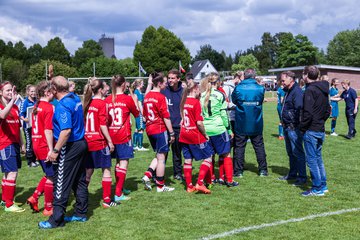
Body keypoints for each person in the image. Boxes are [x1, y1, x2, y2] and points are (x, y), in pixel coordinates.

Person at [39, 76, 88, 229]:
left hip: (70, 145)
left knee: (61, 182)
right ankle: (80, 213)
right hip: (81, 143)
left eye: (50, 88)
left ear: (54, 89)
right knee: (79, 179)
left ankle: (56, 220)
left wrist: (55, 150)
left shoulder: (63, 106)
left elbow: (66, 131)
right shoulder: (74, 98)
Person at [83, 78, 117, 208]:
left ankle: (82, 196)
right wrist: (110, 141)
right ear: (101, 90)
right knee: (106, 169)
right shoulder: (101, 104)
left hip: (87, 141)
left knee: (88, 171)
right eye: (105, 87)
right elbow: (103, 125)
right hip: (99, 142)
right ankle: (107, 201)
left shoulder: (87, 102)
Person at [200, 73, 238, 187]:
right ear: (218, 82)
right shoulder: (220, 95)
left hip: (206, 129)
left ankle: (210, 179)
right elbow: (224, 115)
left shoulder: (201, 95)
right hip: (218, 128)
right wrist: (229, 130)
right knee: (226, 154)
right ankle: (229, 180)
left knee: (209, 155)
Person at [105, 75, 139, 201]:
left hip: (110, 135)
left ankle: (120, 187)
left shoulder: (108, 99)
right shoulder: (127, 99)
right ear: (124, 84)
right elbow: (136, 113)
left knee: (118, 163)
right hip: (123, 135)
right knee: (123, 162)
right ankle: (118, 193)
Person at [141, 72, 175, 192]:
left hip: (150, 129)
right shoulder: (161, 97)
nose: (166, 84)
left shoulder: (147, 96)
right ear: (159, 84)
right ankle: (160, 186)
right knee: (162, 158)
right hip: (159, 129)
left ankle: (147, 175)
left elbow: (144, 115)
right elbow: (166, 116)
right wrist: (171, 132)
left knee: (159, 155)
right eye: (164, 82)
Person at [299, 66, 330, 196]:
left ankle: (317, 187)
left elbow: (308, 113)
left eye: (303, 74)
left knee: (312, 160)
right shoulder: (324, 89)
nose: (302, 77)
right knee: (318, 159)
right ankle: (323, 185)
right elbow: (328, 109)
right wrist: (321, 120)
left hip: (312, 130)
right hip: (320, 128)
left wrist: (302, 127)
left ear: (306, 75)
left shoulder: (310, 90)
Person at [232, 68, 268, 177]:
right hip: (256, 123)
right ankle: (263, 170)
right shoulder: (260, 88)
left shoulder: (238, 88)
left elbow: (234, 100)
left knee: (239, 147)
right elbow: (260, 101)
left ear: (245, 76)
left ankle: (238, 171)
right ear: (254, 76)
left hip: (241, 123)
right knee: (259, 147)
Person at [26, 81, 55, 216]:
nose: (54, 93)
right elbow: (48, 130)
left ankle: (35, 197)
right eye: (52, 91)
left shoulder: (36, 106)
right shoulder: (48, 107)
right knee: (51, 177)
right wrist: (51, 149)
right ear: (46, 92)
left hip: (36, 144)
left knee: (48, 174)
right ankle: (48, 207)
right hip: (44, 145)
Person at [179, 81, 214, 194]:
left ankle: (189, 186)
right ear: (194, 88)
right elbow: (199, 123)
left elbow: (182, 119)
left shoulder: (183, 101)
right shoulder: (195, 102)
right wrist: (205, 134)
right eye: (198, 88)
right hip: (194, 135)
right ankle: (199, 183)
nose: (199, 90)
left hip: (184, 134)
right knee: (209, 156)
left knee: (188, 160)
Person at [0, 81, 25, 212]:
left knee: (7, 174)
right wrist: (13, 101)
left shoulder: (15, 108)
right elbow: (2, 115)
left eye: (11, 90)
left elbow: (18, 127)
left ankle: (5, 201)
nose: (10, 92)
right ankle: (9, 204)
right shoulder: (2, 105)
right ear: (1, 92)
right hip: (5, 144)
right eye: (7, 90)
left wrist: (22, 144)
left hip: (14, 143)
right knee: (12, 173)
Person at [278, 71, 307, 186]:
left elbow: (299, 110)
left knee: (298, 152)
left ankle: (302, 177)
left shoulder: (297, 92)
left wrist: (294, 125)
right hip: (287, 127)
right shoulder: (289, 91)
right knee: (291, 153)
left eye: (283, 80)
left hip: (294, 128)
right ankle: (293, 173)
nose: (282, 82)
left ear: (291, 79)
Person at [160, 69, 184, 181]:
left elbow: (185, 108)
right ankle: (159, 174)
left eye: (173, 78)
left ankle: (178, 173)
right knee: (163, 152)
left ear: (178, 79)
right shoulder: (164, 91)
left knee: (177, 152)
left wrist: (183, 119)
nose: (170, 80)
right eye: (169, 78)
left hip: (178, 126)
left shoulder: (183, 92)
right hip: (165, 126)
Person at [20, 84, 38, 167]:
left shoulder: (37, 101)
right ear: (28, 92)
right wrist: (24, 119)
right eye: (32, 91)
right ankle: (29, 161)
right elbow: (21, 114)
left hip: (35, 125)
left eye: (34, 91)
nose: (33, 93)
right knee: (29, 142)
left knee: (35, 142)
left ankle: (34, 159)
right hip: (27, 126)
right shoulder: (25, 102)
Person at [132, 79, 148, 151]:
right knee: (141, 129)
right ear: (139, 84)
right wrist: (143, 114)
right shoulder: (138, 92)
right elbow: (139, 104)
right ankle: (140, 146)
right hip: (140, 113)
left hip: (137, 113)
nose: (143, 84)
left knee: (136, 129)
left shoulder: (136, 91)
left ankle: (135, 145)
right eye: (142, 83)